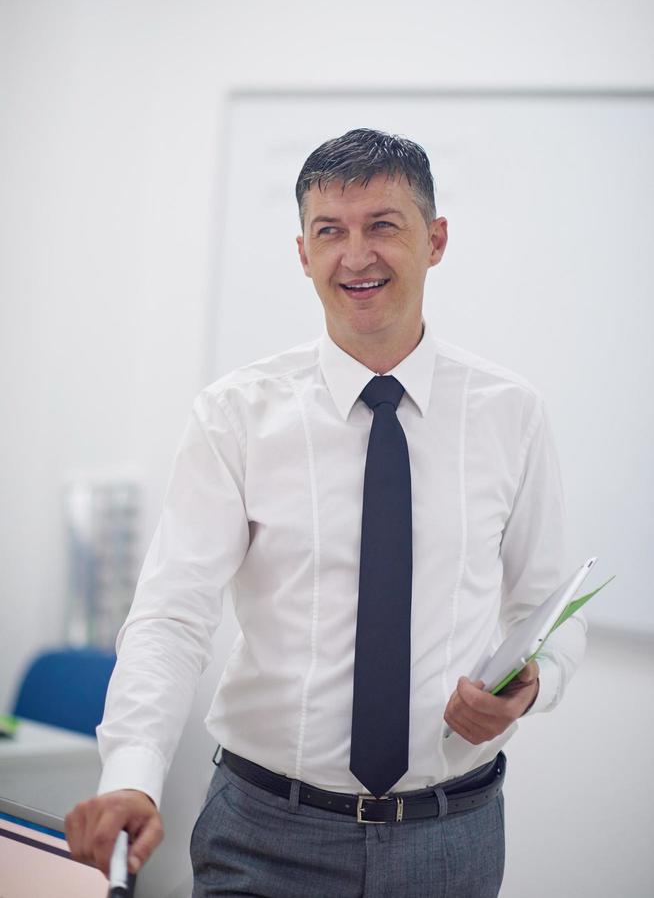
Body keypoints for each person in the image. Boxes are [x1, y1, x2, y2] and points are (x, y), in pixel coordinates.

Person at [65, 128, 586, 897]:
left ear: (435, 240)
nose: (356, 255)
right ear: (302, 252)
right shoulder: (236, 415)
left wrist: (532, 682)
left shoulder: (511, 415)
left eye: (383, 225)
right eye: (329, 232)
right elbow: (173, 615)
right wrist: (132, 774)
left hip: (451, 838)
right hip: (265, 832)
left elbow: (555, 606)